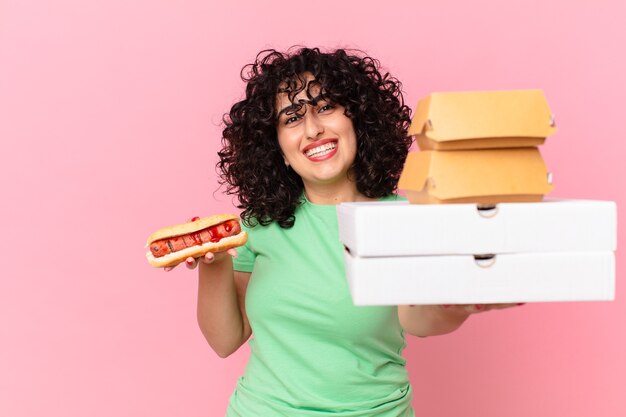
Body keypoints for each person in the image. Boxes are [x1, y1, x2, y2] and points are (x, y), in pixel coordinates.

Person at [166, 47, 519, 417]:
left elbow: (417, 320)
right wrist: (214, 262)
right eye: (291, 118)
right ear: (279, 148)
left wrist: (455, 306)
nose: (313, 129)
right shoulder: (260, 224)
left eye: (325, 107)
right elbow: (225, 341)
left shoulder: (405, 219)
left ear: (358, 120)